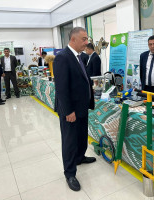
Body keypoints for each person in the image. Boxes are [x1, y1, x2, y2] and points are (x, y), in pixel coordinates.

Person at [53, 27, 95, 192]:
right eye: (84, 39)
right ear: (73, 39)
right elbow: (61, 89)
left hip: (82, 107)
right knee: (70, 140)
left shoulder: (80, 57)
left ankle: (80, 157)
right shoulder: (62, 58)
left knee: (81, 135)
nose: (86, 42)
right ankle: (69, 172)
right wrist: (69, 111)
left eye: (87, 39)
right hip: (70, 110)